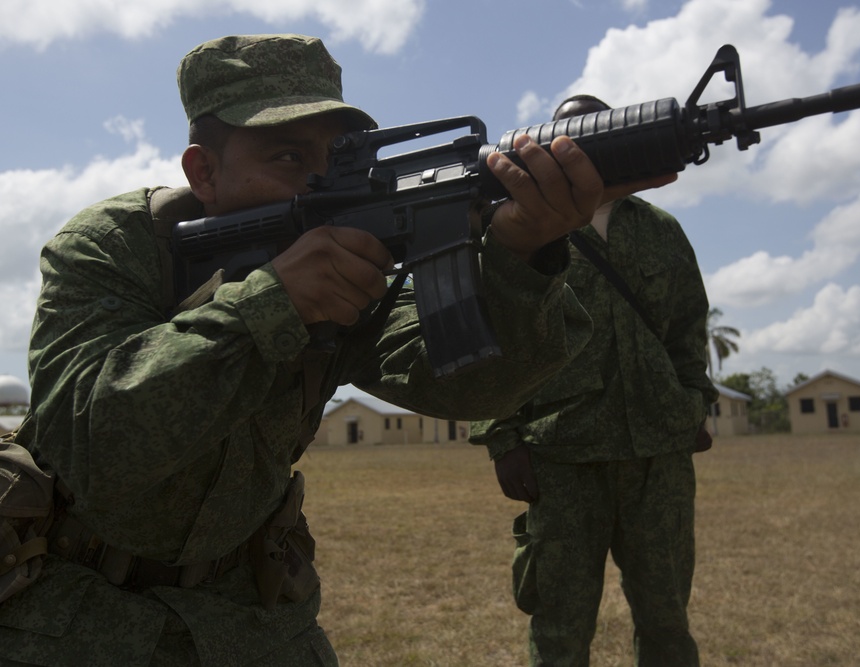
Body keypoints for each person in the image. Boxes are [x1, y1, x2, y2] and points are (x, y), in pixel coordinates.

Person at [0, 38, 674, 665]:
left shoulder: (353, 257)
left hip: (255, 612)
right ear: (204, 171)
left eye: (341, 159)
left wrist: (518, 256)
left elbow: (474, 389)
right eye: (288, 157)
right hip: (75, 617)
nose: (320, 185)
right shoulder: (113, 247)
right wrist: (270, 304)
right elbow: (89, 440)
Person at [470, 94, 718, 666]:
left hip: (658, 452)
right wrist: (501, 438)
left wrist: (693, 405)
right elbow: (488, 332)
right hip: (561, 453)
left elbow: (687, 324)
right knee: (559, 627)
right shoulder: (518, 229)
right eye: (566, 133)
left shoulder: (660, 230)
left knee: (667, 620)